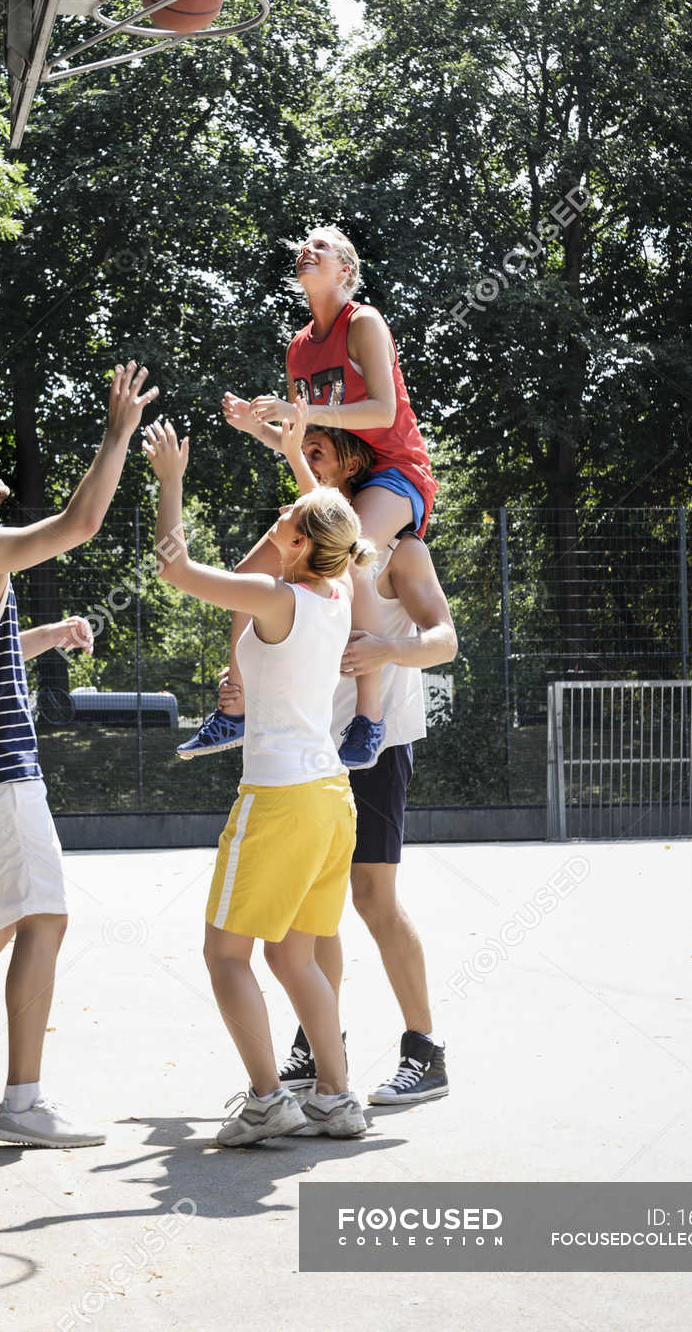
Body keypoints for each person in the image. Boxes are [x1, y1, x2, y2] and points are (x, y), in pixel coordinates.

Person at [0, 361, 157, 1149]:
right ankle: (23, 1104)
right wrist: (117, 434)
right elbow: (78, 525)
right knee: (43, 917)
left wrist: (46, 636)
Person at [143, 416, 372, 1147]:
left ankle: (270, 1099)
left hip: (279, 800)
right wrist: (298, 464)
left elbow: (175, 570)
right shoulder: (335, 595)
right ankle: (337, 1099)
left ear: (303, 544)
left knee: (225, 954)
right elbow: (328, 519)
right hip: (333, 798)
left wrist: (171, 482)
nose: (281, 514)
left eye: (289, 518)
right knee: (293, 955)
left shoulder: (280, 599)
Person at [249, 416, 457, 1106]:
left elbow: (444, 640)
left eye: (318, 451)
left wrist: (389, 652)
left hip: (375, 745)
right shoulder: (301, 550)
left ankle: (424, 1051)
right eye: (301, 453)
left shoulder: (400, 551)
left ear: (354, 464)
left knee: (372, 898)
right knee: (313, 912)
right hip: (306, 749)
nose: (305, 461)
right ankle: (320, 1046)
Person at [179, 225, 436, 769]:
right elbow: (307, 440)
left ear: (346, 270)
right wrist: (259, 430)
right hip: (337, 479)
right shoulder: (299, 348)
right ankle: (236, 707)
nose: (306, 249)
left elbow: (384, 414)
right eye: (304, 245)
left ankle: (369, 718)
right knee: (250, 575)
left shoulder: (363, 322)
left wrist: (302, 414)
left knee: (353, 557)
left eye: (321, 246)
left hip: (393, 471)